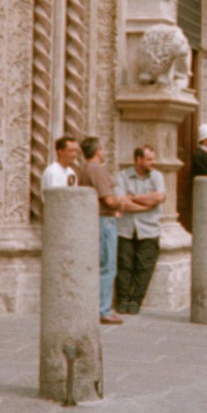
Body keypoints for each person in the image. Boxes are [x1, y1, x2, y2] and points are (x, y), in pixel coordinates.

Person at [80, 137, 129, 325]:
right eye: (102, 148)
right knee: (108, 265)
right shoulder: (96, 170)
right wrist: (122, 202)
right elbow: (108, 200)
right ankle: (104, 310)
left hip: (96, 219)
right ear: (98, 151)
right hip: (104, 220)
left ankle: (99, 306)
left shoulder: (85, 169)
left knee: (100, 264)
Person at [114, 145, 166, 315]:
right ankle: (122, 300)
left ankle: (136, 301)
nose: (153, 162)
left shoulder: (157, 177)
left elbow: (159, 197)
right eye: (149, 159)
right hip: (125, 229)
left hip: (149, 229)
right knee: (124, 265)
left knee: (145, 267)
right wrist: (145, 206)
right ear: (138, 160)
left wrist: (133, 198)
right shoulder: (123, 176)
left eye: (153, 158)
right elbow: (121, 202)